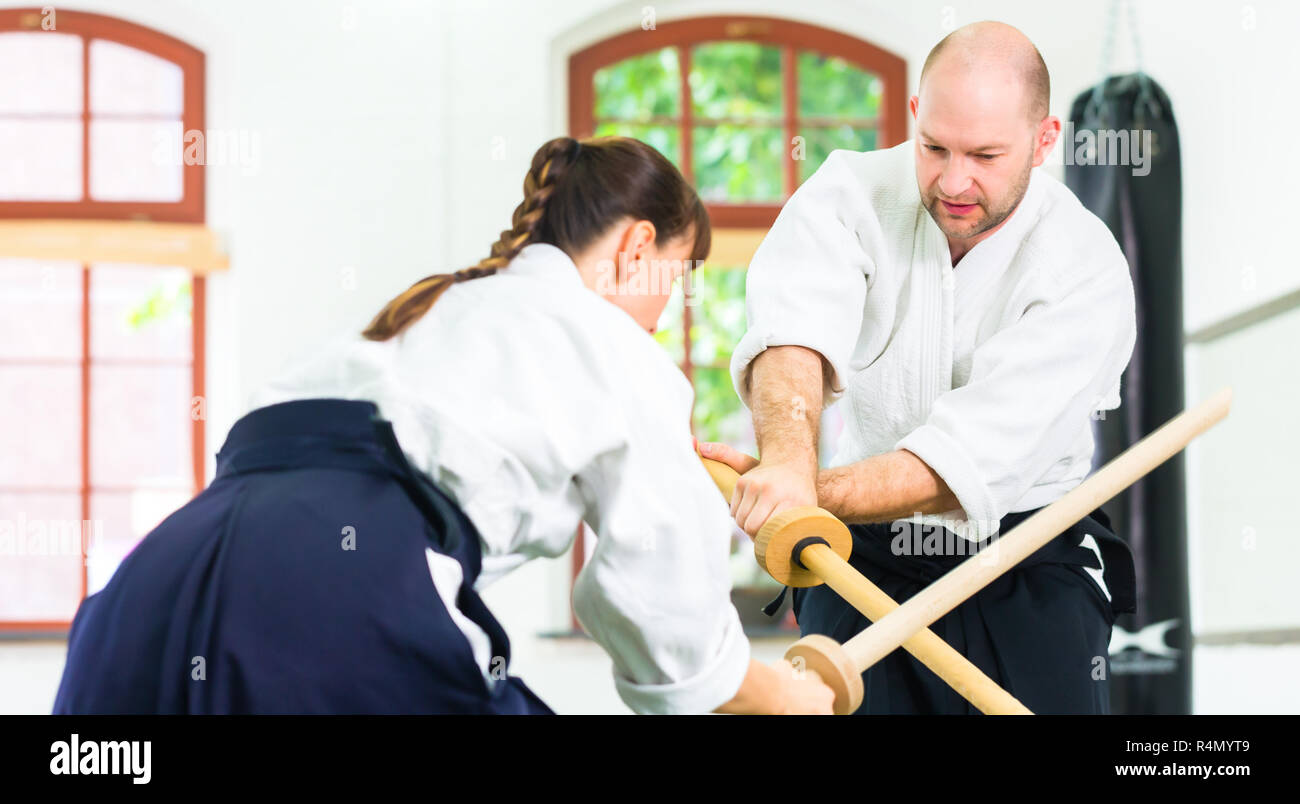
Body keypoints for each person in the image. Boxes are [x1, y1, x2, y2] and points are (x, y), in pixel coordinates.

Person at [53, 135, 833, 716]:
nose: (663, 318)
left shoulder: (430, 313)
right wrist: (785, 697)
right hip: (333, 599)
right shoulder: (614, 347)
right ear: (637, 247)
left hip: (148, 590)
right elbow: (666, 622)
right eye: (678, 278)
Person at [700, 21, 1140, 714]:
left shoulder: (1085, 270)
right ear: (914, 118)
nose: (954, 180)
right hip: (864, 557)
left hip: (1025, 559)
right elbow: (794, 333)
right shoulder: (848, 193)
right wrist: (785, 459)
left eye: (986, 155)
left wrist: (807, 491)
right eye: (934, 147)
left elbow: (965, 461)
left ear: (1045, 139)